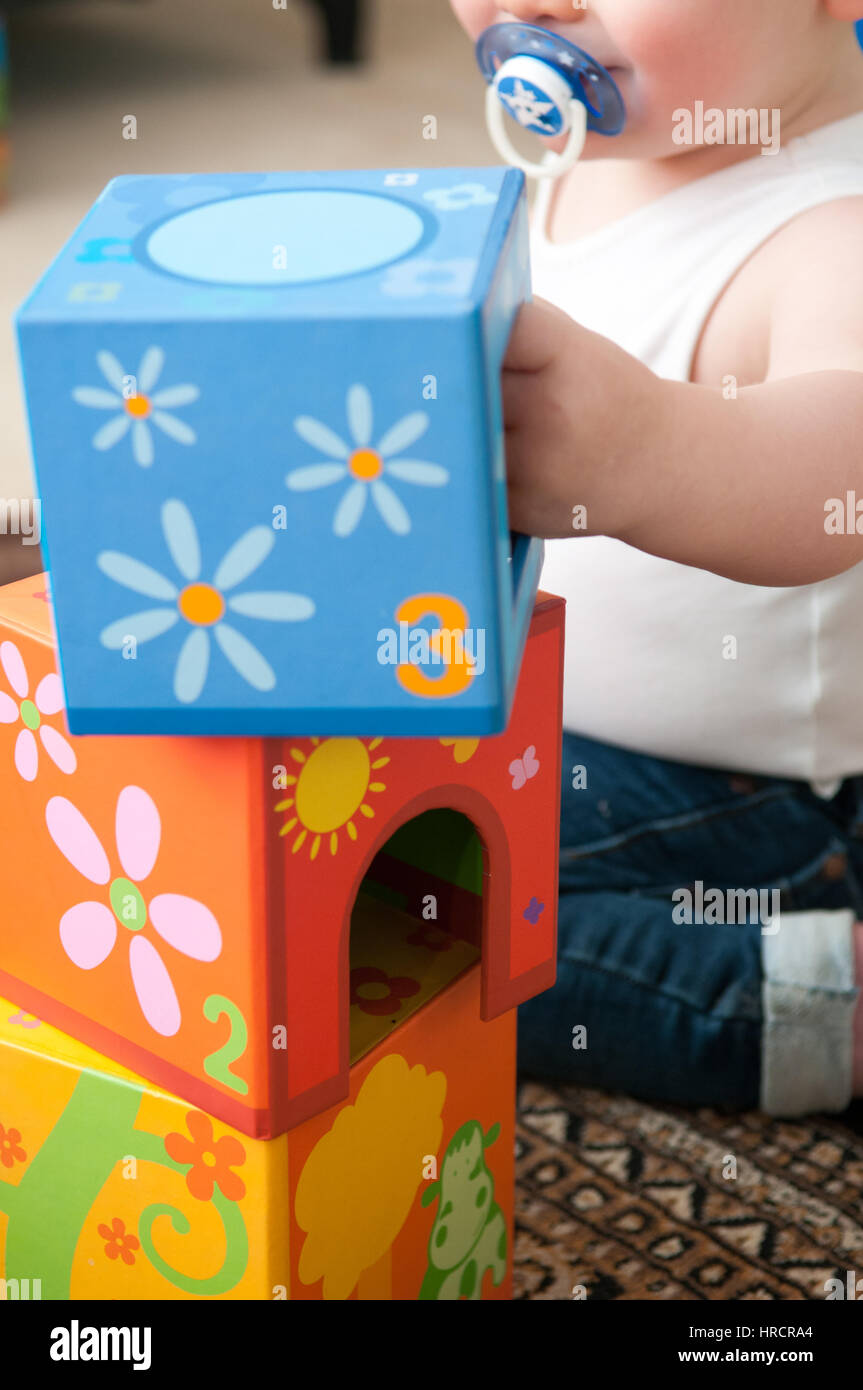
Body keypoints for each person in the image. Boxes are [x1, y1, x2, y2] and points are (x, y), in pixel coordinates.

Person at [450, 0, 863, 1116]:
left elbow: (837, 484)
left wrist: (642, 452)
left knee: (414, 920)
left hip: (744, 804)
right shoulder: (590, 151)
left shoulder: (831, 224)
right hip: (548, 710)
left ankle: (814, 1000)